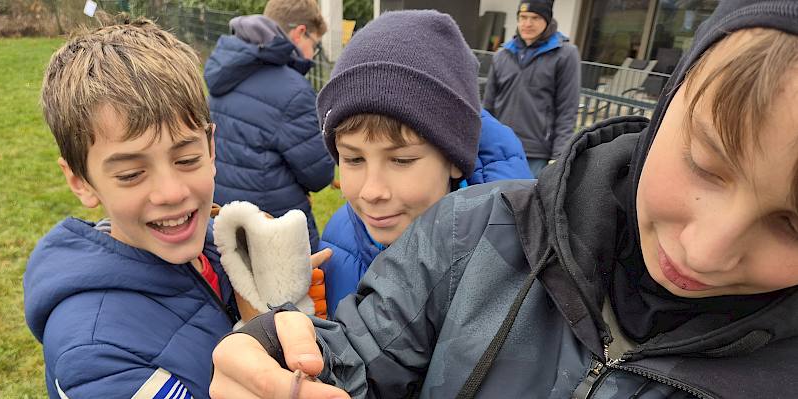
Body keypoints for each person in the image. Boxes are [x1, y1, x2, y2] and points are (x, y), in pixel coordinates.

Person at [209, 2, 798, 398]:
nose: (705, 250)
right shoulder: (471, 234)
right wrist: (276, 349)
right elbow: (358, 349)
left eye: (792, 224)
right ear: (666, 106)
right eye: (704, 163)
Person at [24, 16, 244, 399]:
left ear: (211, 149)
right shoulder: (96, 355)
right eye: (130, 174)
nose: (171, 192)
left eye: (187, 159)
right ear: (80, 180)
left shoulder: (218, 247)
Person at [320, 112, 533, 316]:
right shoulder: (337, 239)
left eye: (401, 160)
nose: (371, 192)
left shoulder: (523, 254)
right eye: (354, 159)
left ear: (454, 159)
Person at [204, 0, 335, 252]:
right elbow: (319, 174)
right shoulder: (292, 90)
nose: (311, 55)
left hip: (223, 222)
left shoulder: (225, 72)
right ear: (300, 33)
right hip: (276, 229)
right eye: (314, 45)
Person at [483, 0, 581, 177]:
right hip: (500, 150)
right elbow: (488, 107)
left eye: (535, 18)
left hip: (537, 154)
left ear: (548, 20)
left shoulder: (566, 54)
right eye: (523, 17)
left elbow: (567, 110)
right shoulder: (502, 54)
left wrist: (559, 155)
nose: (527, 24)